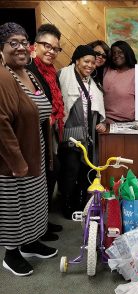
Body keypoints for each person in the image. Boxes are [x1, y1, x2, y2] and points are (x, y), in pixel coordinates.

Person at [0, 22, 57, 277]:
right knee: (16, 207)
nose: (21, 47)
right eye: (13, 43)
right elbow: (1, 124)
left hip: (35, 150)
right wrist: (17, 162)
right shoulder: (2, 76)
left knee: (34, 202)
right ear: (1, 48)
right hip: (15, 158)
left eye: (24, 42)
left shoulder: (29, 73)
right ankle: (11, 254)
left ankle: (30, 243)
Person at [26, 23, 64, 242]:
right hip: (34, 135)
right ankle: (34, 230)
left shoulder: (50, 72)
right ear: (35, 45)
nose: (50, 51)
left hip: (49, 132)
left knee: (50, 175)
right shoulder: (29, 69)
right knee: (39, 180)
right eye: (46, 46)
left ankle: (42, 222)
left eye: (55, 48)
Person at [58, 45, 105, 219]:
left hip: (88, 135)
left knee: (85, 170)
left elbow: (98, 108)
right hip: (70, 133)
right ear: (77, 61)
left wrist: (102, 121)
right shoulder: (63, 76)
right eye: (86, 61)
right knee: (70, 171)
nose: (90, 65)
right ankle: (67, 205)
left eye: (93, 62)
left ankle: (80, 204)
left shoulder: (93, 82)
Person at [102, 40, 137, 129]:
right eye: (114, 53)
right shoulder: (106, 70)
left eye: (120, 52)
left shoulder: (136, 73)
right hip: (106, 123)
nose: (116, 56)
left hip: (129, 124)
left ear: (127, 53)